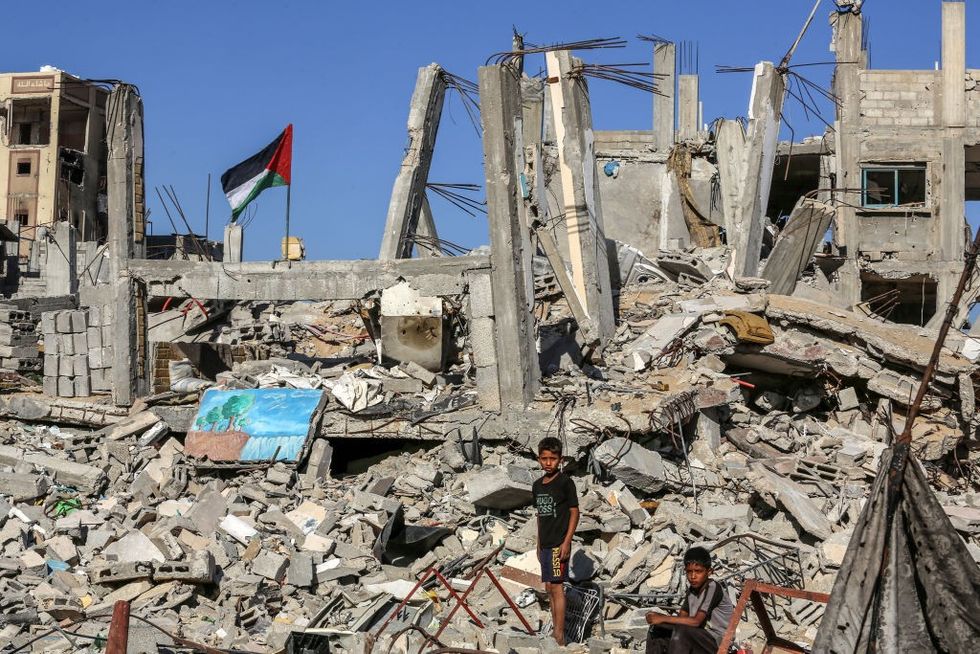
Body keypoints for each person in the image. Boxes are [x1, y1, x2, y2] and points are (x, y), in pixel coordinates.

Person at [533, 436, 579, 646]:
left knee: (558, 587)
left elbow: (574, 512)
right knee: (549, 587)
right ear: (539, 459)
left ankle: (559, 636)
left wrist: (567, 541)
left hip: (559, 543)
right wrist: (538, 543)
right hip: (546, 543)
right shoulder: (537, 485)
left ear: (560, 459)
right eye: (544, 458)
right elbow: (540, 516)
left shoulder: (565, 483)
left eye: (553, 458)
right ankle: (554, 631)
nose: (548, 462)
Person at [645, 546, 734, 654]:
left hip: (718, 642)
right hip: (697, 636)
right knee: (657, 628)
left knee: (681, 631)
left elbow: (696, 622)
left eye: (698, 571)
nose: (693, 576)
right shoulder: (692, 590)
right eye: (689, 572)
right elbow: (682, 618)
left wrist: (662, 617)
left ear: (709, 572)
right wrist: (659, 620)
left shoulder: (713, 587)